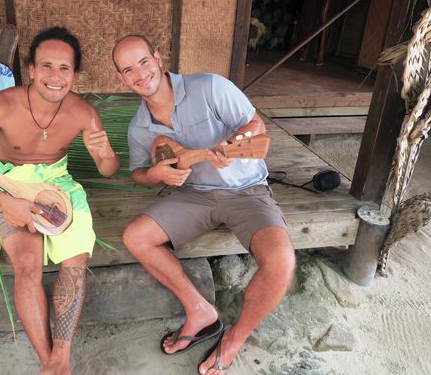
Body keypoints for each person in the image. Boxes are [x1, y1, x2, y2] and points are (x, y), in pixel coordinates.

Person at [0, 26, 119, 375]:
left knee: (75, 262)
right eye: (47, 66)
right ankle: (48, 363)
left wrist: (107, 155)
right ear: (32, 70)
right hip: (9, 184)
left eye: (64, 68)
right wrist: (5, 202)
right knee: (27, 266)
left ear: (75, 75)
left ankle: (59, 362)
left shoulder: (84, 112)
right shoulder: (0, 106)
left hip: (59, 188)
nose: (56, 76)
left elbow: (109, 169)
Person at [112, 35, 296, 375]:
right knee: (135, 237)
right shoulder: (139, 127)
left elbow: (255, 127)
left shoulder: (210, 86)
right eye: (128, 70)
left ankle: (236, 337)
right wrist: (156, 174)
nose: (139, 73)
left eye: (143, 61)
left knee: (282, 261)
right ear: (121, 79)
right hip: (193, 195)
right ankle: (200, 312)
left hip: (247, 191)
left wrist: (228, 144)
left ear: (157, 56)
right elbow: (139, 174)